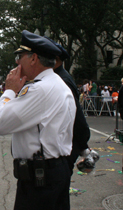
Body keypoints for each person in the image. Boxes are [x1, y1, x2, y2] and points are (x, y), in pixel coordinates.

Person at [0, 30, 76, 209]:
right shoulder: (58, 83)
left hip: (41, 179)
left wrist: (10, 91)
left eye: (19, 56)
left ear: (33, 58)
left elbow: (0, 123)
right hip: (54, 171)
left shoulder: (40, 89)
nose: (16, 62)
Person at [46, 37, 91, 174]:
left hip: (66, 144)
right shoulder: (57, 77)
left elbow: (75, 114)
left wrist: (82, 144)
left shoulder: (61, 80)